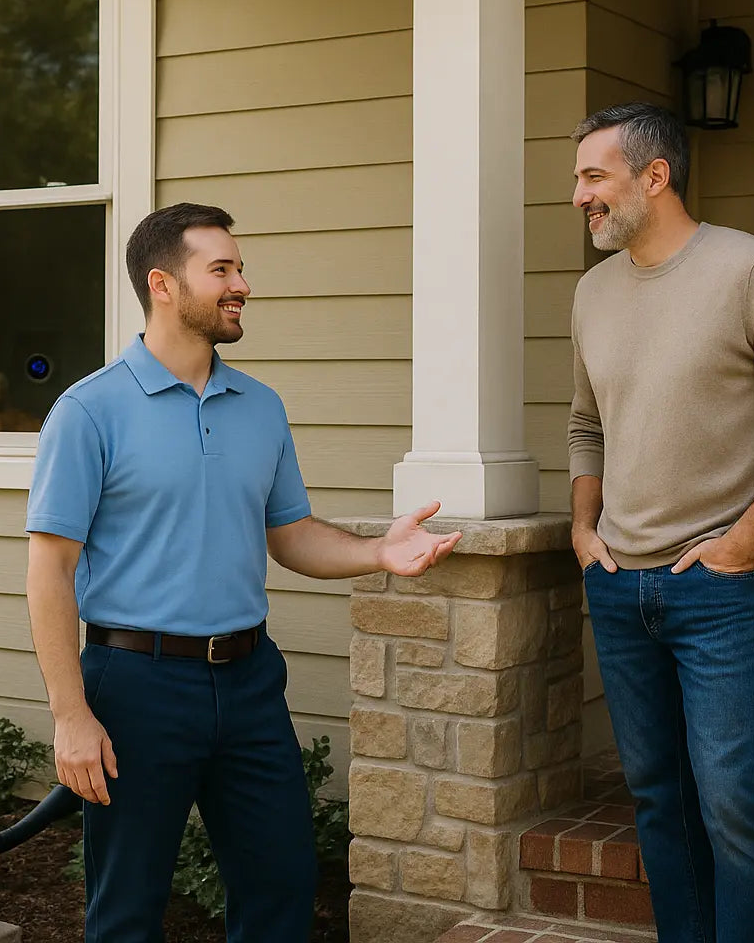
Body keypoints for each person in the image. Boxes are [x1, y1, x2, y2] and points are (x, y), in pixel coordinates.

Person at [24, 202, 462, 943]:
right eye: (221, 270)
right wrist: (71, 714)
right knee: (127, 910)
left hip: (250, 681)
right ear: (163, 285)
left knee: (281, 891)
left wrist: (377, 554)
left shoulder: (261, 407)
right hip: (135, 687)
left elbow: (291, 535)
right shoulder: (88, 412)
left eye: (240, 268)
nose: (243, 285)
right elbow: (49, 569)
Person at [566, 103, 754, 943]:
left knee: (732, 804)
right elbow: (587, 426)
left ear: (654, 177)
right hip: (620, 589)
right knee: (658, 797)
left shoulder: (751, 271)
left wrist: (746, 542)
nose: (579, 194)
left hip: (722, 595)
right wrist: (585, 532)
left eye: (594, 175)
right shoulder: (592, 293)